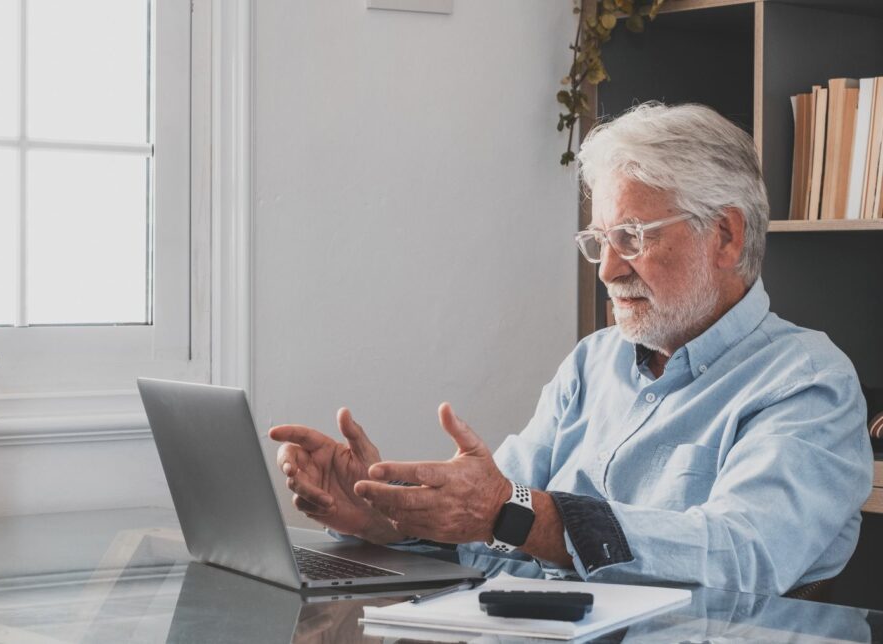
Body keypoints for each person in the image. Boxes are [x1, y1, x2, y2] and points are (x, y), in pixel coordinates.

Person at [269, 102, 875, 595]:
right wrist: (385, 516)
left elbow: (742, 555)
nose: (608, 269)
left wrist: (517, 513)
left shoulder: (807, 383)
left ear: (725, 234)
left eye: (632, 238)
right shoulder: (594, 362)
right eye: (600, 240)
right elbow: (495, 515)